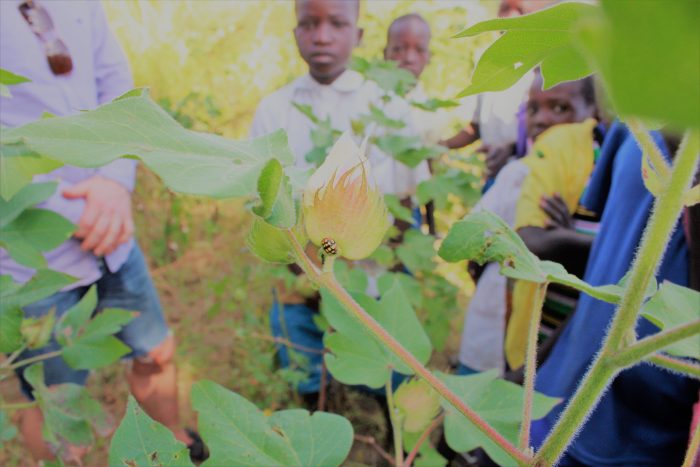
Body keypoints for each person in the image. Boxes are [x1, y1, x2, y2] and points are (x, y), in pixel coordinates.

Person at [0, 1, 206, 462]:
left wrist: (114, 183)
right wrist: (77, 210)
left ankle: (172, 446)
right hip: (30, 260)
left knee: (156, 351)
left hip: (113, 238)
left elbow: (116, 88)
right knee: (55, 404)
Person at [250, 0, 430, 404]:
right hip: (298, 274)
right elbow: (264, 202)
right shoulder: (274, 110)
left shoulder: (388, 108)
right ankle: (315, 405)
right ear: (295, 30)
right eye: (309, 24)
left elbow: (404, 204)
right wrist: (310, 265)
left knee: (391, 369)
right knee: (303, 363)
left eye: (336, 23)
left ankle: (391, 428)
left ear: (359, 34)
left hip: (371, 276)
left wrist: (335, 255)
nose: (322, 36)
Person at [530, 123, 700, 465]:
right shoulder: (632, 127)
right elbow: (606, 267)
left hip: (637, 442)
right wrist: (531, 369)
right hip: (553, 396)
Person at [456, 70, 598, 376]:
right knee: (481, 384)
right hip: (497, 302)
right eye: (532, 108)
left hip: (549, 321)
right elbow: (472, 235)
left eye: (559, 108)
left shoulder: (591, 180)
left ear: (593, 112)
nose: (541, 119)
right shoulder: (516, 172)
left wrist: (564, 237)